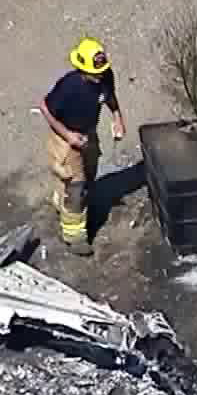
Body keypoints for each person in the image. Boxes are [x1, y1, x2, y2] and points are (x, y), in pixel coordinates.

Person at [40, 37, 127, 257]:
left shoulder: (105, 75)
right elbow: (45, 107)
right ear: (82, 68)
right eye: (94, 72)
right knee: (75, 186)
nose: (99, 76)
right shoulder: (69, 86)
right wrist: (68, 136)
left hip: (88, 134)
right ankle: (74, 236)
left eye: (101, 71)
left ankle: (65, 203)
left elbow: (109, 96)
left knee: (88, 176)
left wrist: (117, 118)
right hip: (67, 138)